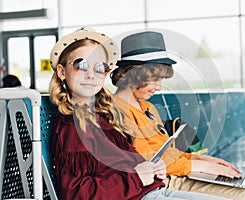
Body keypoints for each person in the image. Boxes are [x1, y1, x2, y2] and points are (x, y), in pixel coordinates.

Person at [48, 26, 228, 200]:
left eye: (100, 67)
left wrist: (151, 168)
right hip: (140, 193)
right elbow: (77, 194)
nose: (91, 74)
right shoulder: (73, 127)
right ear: (62, 72)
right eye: (81, 65)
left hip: (149, 189)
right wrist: (137, 177)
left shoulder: (101, 119)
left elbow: (134, 162)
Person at [110, 31, 245, 200]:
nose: (158, 87)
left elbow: (165, 152)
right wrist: (199, 166)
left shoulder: (147, 107)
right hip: (166, 180)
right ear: (132, 74)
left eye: (161, 80)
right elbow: (148, 160)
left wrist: (200, 158)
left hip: (180, 171)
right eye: (154, 80)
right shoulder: (116, 110)